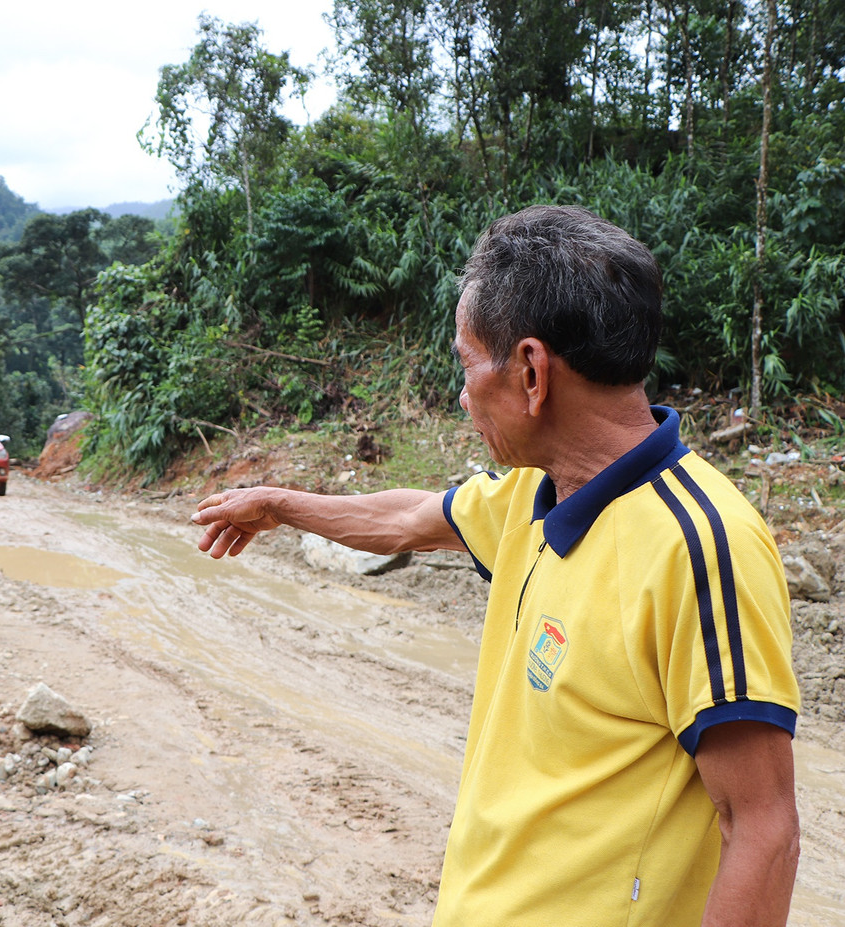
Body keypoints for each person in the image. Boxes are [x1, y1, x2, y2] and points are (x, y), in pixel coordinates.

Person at [191, 206, 800, 927]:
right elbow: (407, 519)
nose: (461, 392)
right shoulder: (531, 498)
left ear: (532, 371)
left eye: (466, 363)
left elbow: (764, 830)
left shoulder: (700, 546)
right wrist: (281, 505)